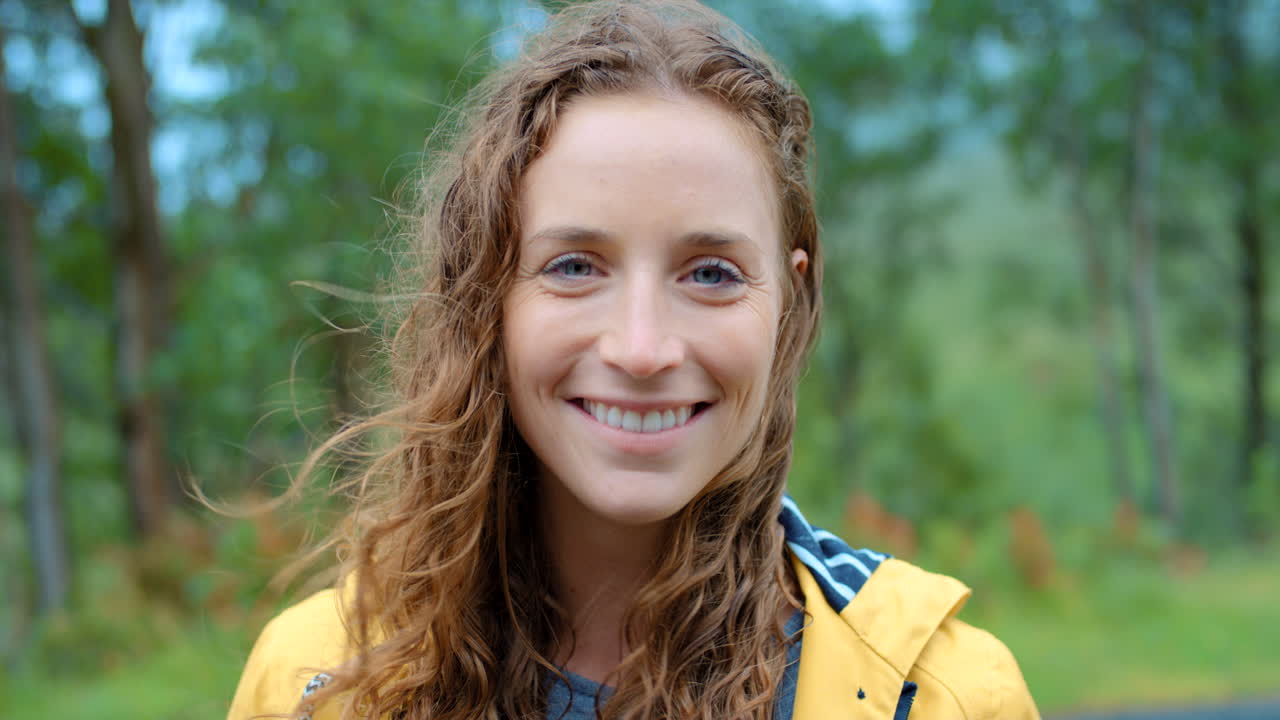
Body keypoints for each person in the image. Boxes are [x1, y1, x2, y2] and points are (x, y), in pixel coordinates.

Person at [228, 1, 1040, 718]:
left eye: (711, 273)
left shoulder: (941, 697)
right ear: (486, 299)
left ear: (788, 305)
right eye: (575, 266)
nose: (642, 349)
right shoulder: (316, 683)